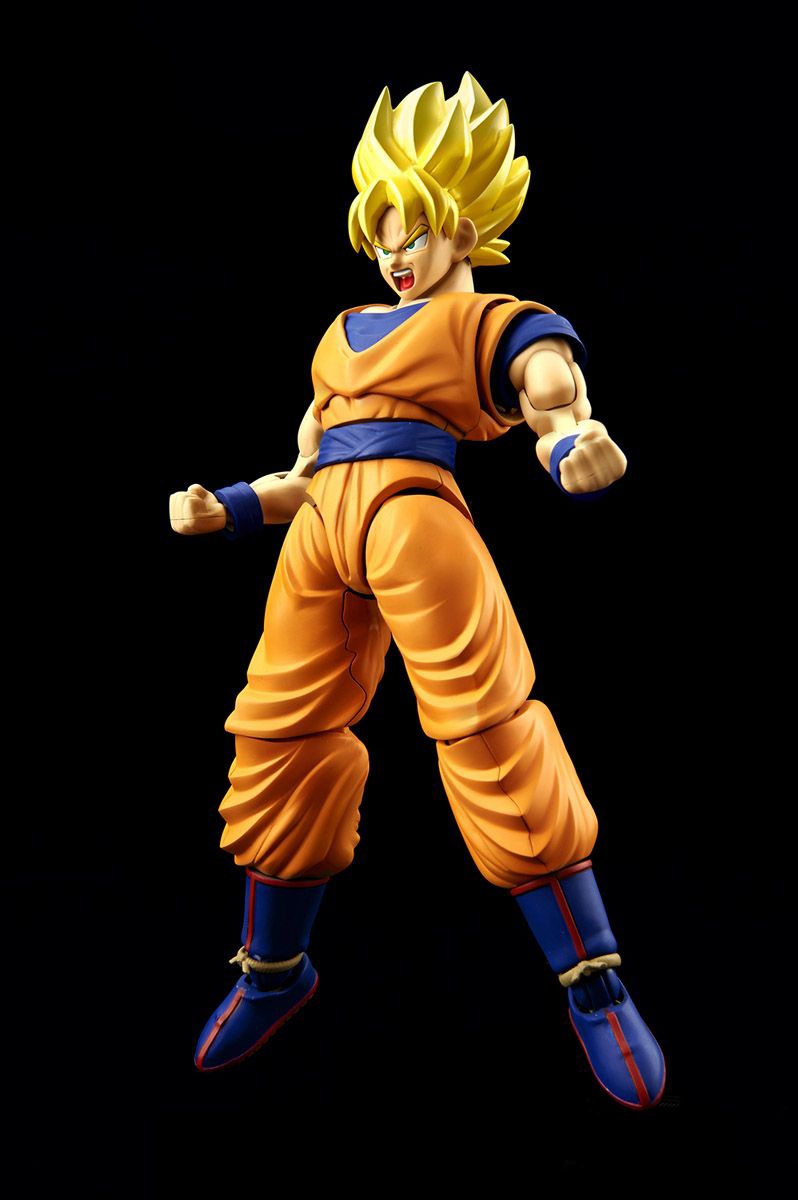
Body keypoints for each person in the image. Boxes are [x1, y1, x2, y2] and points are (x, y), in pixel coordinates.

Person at [170, 73, 665, 1109]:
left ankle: (593, 979)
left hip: (415, 522)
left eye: (418, 228)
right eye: (383, 229)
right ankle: (273, 970)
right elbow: (304, 468)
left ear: (466, 228)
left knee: (488, 726)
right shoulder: (340, 331)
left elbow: (550, 392)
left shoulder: (494, 321)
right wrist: (231, 507)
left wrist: (572, 441)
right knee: (277, 735)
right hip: (320, 534)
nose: (397, 250)